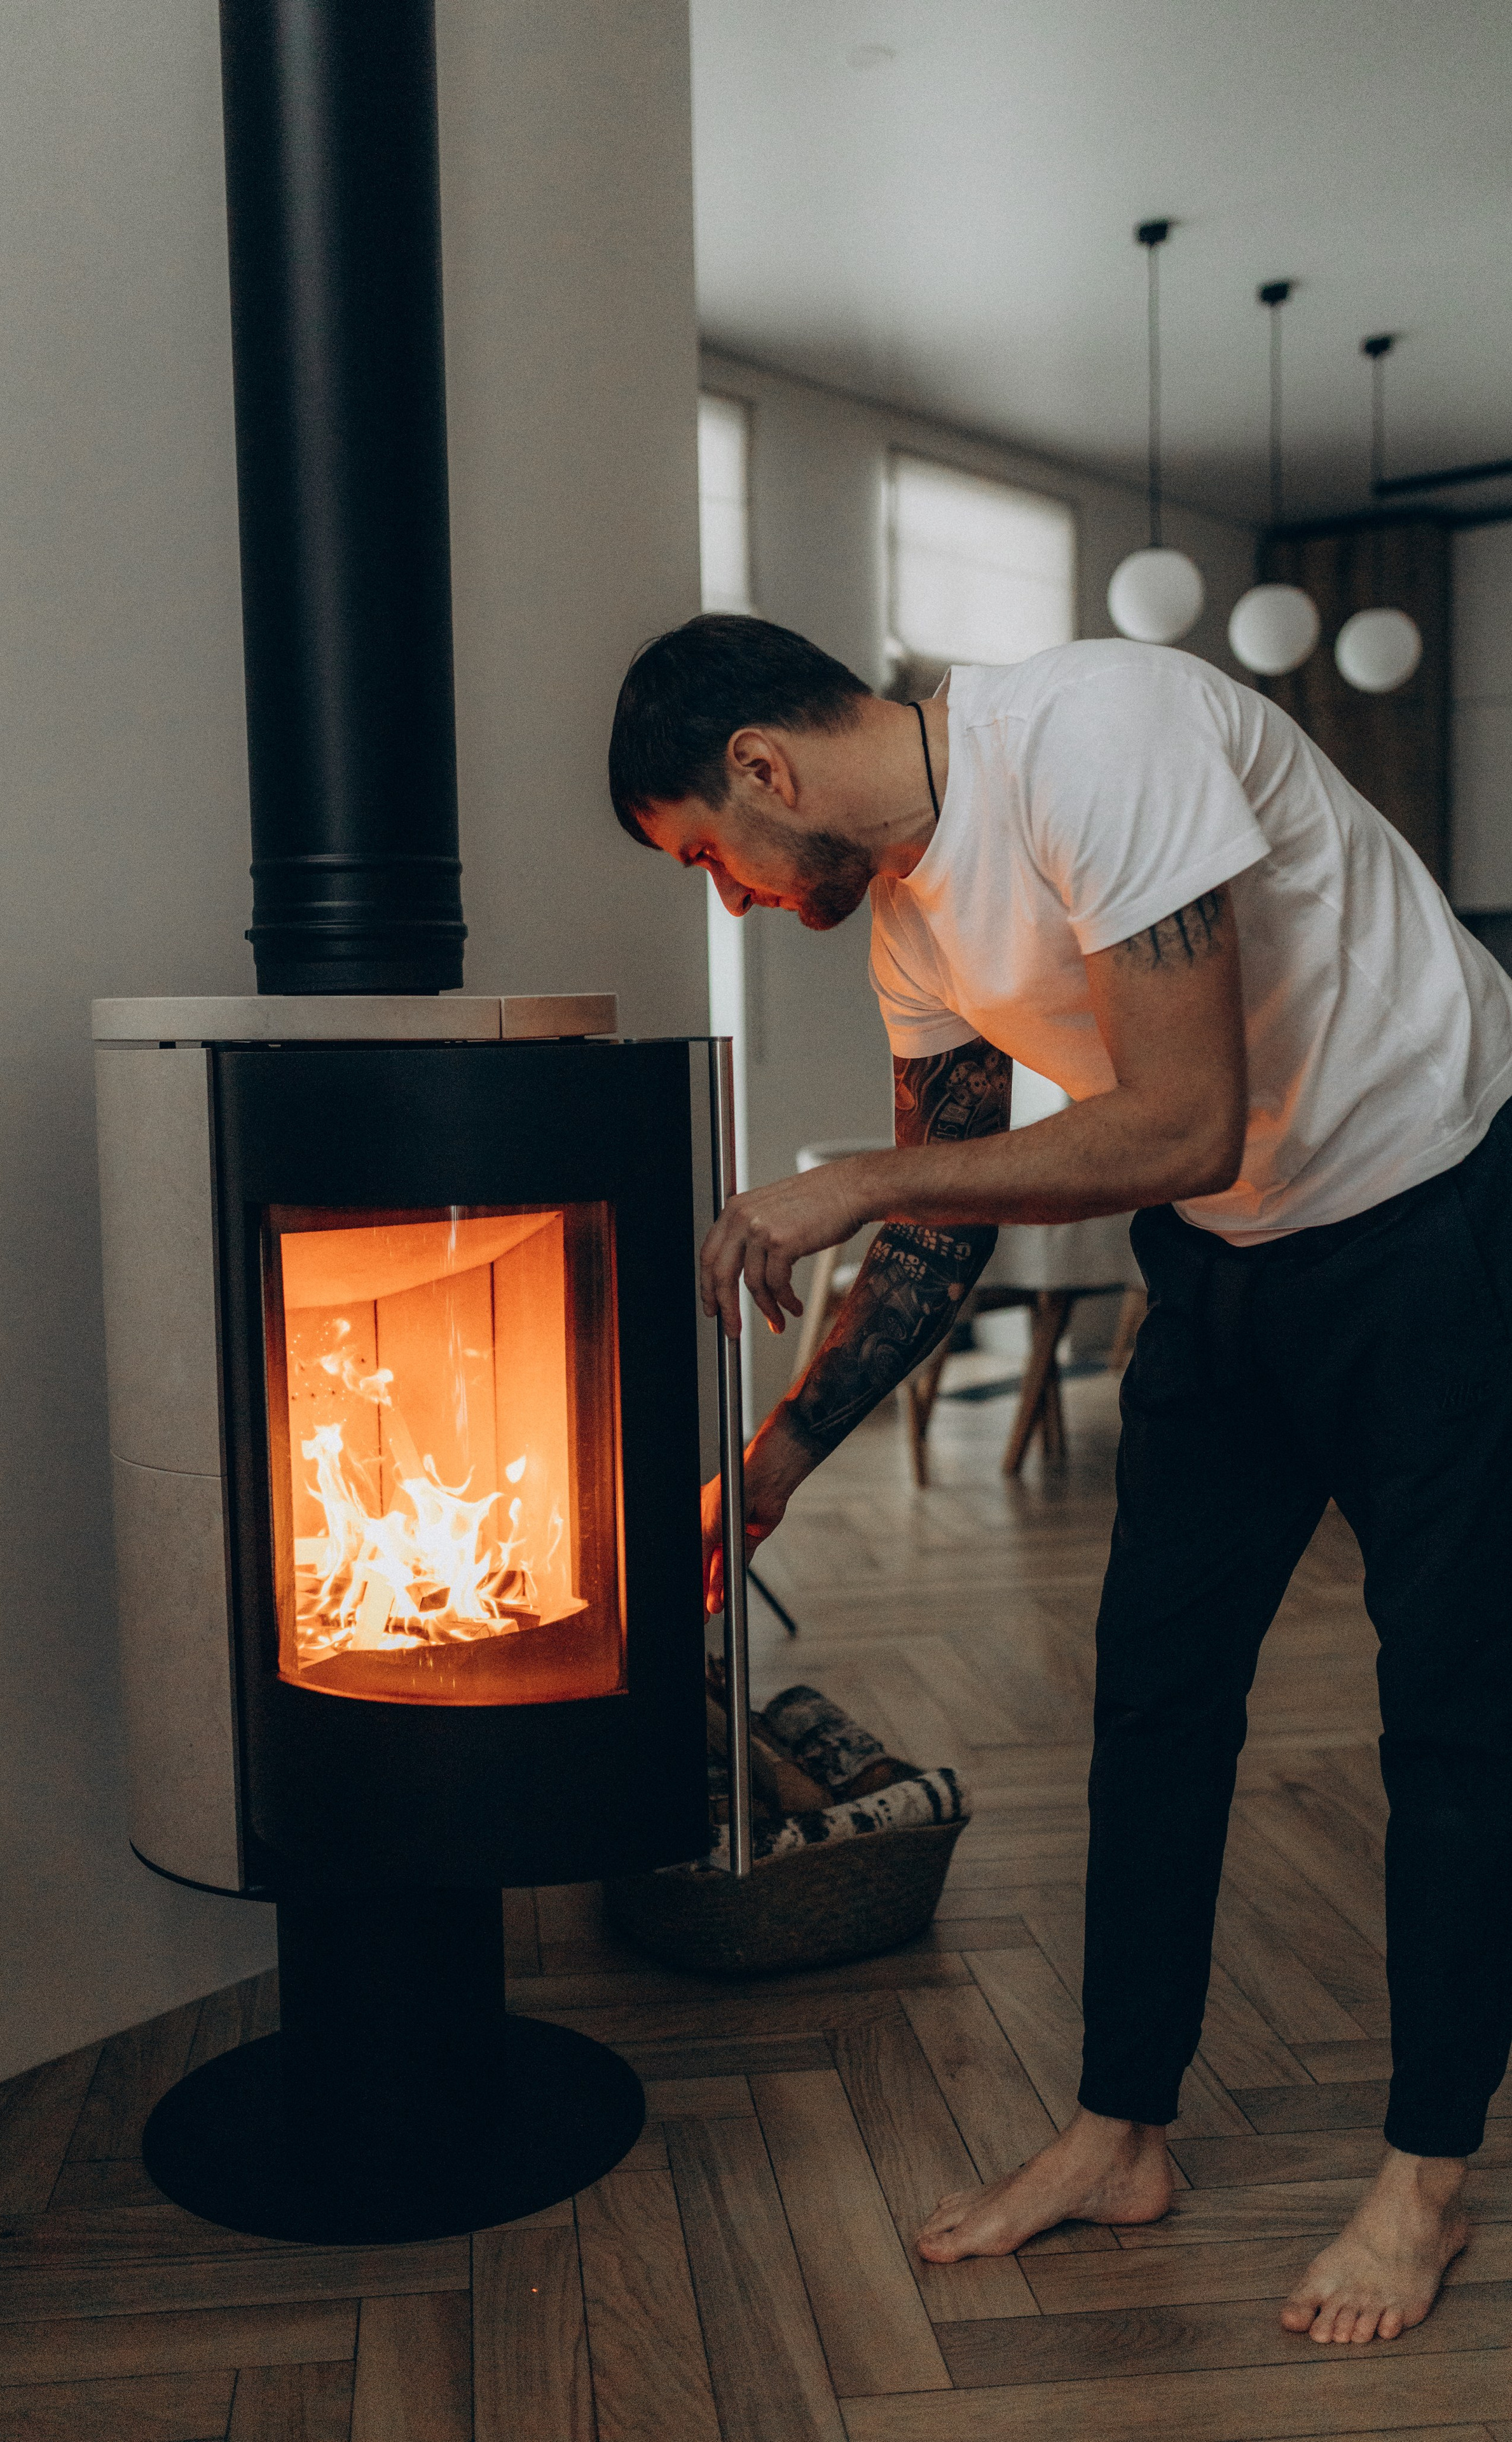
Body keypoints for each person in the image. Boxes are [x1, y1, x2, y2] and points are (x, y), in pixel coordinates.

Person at [608, 612, 1512, 2349]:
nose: (725, 899)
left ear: (765, 772)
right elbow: (951, 1236)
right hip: (1232, 1255)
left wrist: (856, 1180)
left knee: (1457, 1716)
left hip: (1435, 1217)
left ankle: (1427, 2178)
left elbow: (1180, 1117)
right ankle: (1121, 2130)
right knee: (1157, 1702)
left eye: (708, 857)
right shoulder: (912, 927)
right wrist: (777, 1462)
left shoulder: (1099, 731)